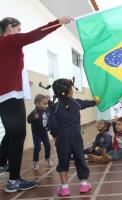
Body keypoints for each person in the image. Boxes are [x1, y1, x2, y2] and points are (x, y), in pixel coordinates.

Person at [0, 16, 72, 193]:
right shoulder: (9, 40)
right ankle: (14, 181)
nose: (19, 32)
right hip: (11, 96)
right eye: (18, 29)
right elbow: (35, 35)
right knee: (18, 136)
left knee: (10, 134)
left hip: (3, 97)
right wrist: (57, 22)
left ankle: (3, 164)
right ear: (10, 28)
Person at [48, 78, 100, 196]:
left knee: (63, 161)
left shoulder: (54, 107)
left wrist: (55, 136)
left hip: (62, 139)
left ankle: (65, 188)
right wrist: (95, 102)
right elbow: (86, 103)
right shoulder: (76, 103)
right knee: (80, 158)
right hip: (76, 137)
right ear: (70, 91)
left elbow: (52, 124)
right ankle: (83, 184)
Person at [27, 94, 53, 169]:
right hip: (36, 132)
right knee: (37, 147)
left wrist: (49, 100)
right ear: (37, 103)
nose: (46, 105)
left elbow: (52, 106)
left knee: (48, 145)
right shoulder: (35, 112)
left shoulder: (47, 109)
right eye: (44, 104)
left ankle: (47, 158)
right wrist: (34, 118)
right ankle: (35, 162)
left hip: (44, 131)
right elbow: (28, 119)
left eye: (46, 104)